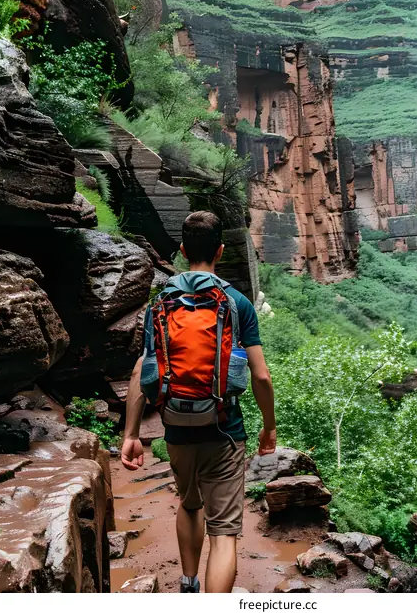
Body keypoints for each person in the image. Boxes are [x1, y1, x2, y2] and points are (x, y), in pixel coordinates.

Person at [121, 211, 277, 594]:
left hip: (176, 425)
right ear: (220, 251)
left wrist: (131, 433)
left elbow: (145, 369)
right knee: (223, 532)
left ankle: (188, 584)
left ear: (182, 251)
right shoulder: (236, 302)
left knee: (189, 504)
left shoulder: (160, 304)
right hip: (224, 428)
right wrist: (269, 426)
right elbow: (260, 376)